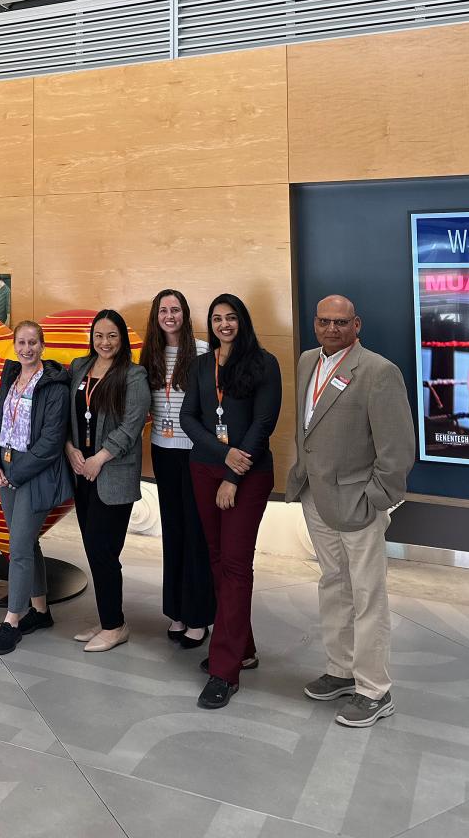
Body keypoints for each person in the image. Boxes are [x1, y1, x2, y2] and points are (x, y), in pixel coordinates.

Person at [285, 295, 415, 728]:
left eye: (341, 322)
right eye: (324, 321)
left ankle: (375, 690)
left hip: (358, 503)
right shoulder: (306, 361)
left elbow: (398, 452)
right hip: (317, 498)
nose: (331, 329)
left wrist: (376, 499)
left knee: (367, 596)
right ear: (315, 324)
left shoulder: (378, 371)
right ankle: (341, 671)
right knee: (333, 585)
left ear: (356, 324)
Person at [181, 294, 282, 710]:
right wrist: (221, 455)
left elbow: (263, 424)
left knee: (236, 564)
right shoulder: (202, 365)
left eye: (232, 317)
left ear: (243, 320)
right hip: (205, 469)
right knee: (219, 560)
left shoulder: (264, 363)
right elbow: (189, 417)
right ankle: (243, 648)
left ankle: (225, 671)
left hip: (249, 474)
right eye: (217, 319)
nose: (224, 324)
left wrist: (232, 473)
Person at [65, 309, 151, 653]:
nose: (105, 342)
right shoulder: (79, 368)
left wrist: (99, 458)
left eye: (112, 336)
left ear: (123, 339)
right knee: (93, 548)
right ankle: (107, 618)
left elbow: (132, 425)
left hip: (111, 473)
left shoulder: (134, 374)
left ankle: (115, 627)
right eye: (99, 335)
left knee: (104, 550)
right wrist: (70, 448)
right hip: (81, 472)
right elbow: (66, 415)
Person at [0, 320, 72, 656]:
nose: (26, 348)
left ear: (42, 345)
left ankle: (12, 622)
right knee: (27, 543)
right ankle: (42, 612)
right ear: (14, 344)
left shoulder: (55, 387)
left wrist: (15, 473)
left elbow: (51, 443)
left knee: (18, 548)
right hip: (5, 469)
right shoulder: (10, 377)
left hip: (33, 473)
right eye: (21, 342)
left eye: (32, 342)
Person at [141, 289, 215, 648]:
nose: (169, 316)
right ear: (156, 315)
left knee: (196, 533)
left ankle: (199, 616)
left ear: (185, 314)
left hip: (195, 452)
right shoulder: (149, 354)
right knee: (172, 531)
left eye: (176, 310)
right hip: (162, 450)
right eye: (163, 310)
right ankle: (178, 612)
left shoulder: (202, 351)